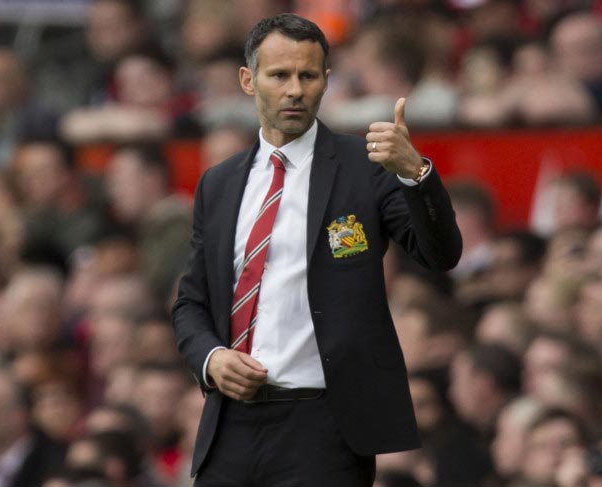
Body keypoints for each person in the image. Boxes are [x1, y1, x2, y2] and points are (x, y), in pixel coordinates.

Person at [172, 13, 462, 486]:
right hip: (230, 425)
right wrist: (211, 360)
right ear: (248, 80)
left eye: (308, 75)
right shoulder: (219, 183)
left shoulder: (366, 167)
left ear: (327, 81)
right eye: (279, 75)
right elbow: (191, 302)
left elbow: (441, 256)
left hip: (324, 429)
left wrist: (417, 175)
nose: (295, 90)